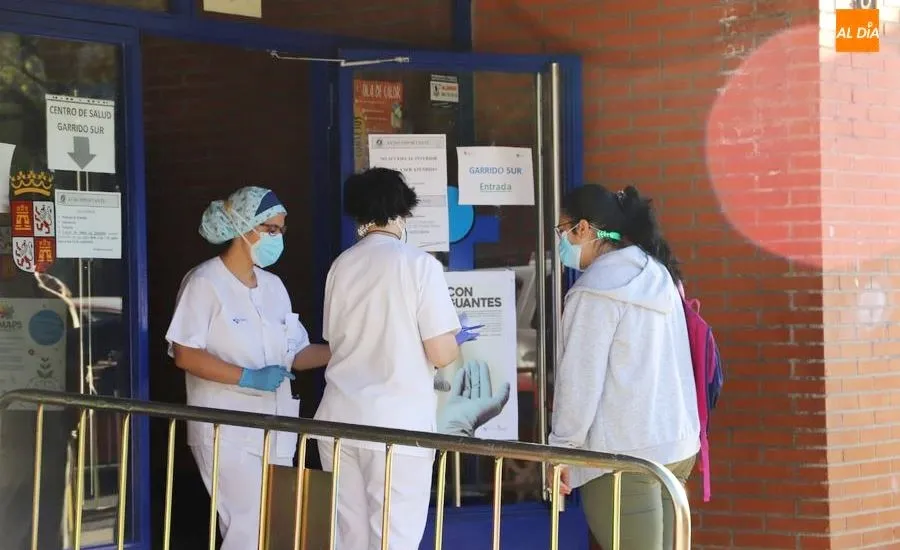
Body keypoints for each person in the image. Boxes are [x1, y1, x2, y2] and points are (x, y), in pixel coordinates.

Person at [315, 167, 473, 550]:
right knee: (394, 538)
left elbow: (335, 341)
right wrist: (456, 339)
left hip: (338, 420)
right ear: (402, 212)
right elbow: (439, 351)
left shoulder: (341, 266)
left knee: (347, 538)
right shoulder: (419, 265)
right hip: (396, 426)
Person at [165, 186, 330, 550]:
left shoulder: (274, 287)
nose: (278, 238)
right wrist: (248, 377)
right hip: (228, 430)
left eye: (282, 231)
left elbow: (296, 353)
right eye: (271, 229)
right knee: (249, 530)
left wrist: (345, 351)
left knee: (277, 530)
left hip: (277, 430)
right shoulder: (205, 282)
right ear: (243, 228)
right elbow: (185, 354)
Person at [548, 185, 699, 550]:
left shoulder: (595, 291)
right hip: (675, 447)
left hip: (622, 455)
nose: (561, 241)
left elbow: (580, 382)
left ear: (583, 228)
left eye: (561, 231)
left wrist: (561, 450)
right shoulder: (658, 275)